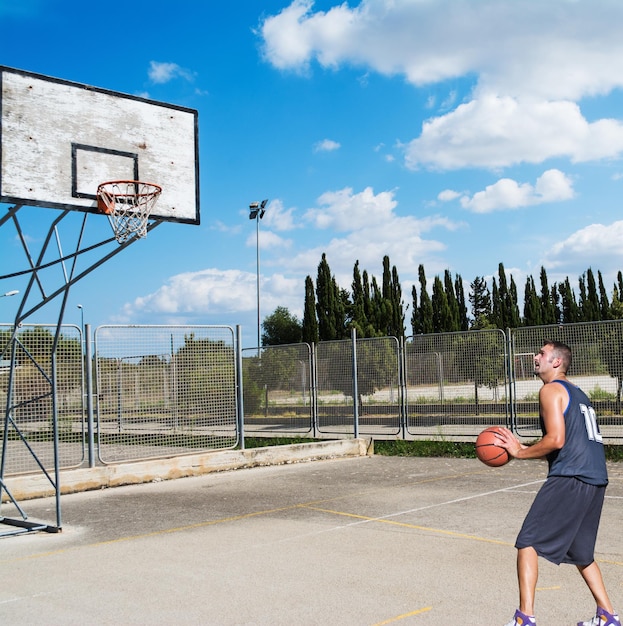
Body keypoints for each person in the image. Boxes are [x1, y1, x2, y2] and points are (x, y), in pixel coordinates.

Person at [495, 340, 619, 626]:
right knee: (581, 553)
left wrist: (520, 452)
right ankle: (608, 616)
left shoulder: (550, 390)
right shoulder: (579, 394)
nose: (535, 356)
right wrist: (526, 449)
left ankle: (525, 618)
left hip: (571, 478)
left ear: (556, 362)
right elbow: (567, 445)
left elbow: (556, 440)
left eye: (541, 353)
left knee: (528, 541)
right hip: (595, 479)